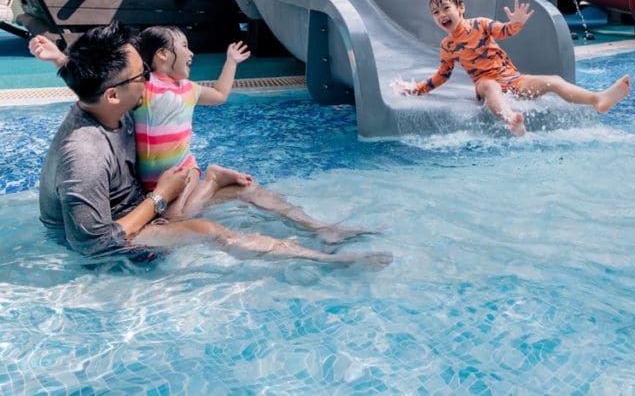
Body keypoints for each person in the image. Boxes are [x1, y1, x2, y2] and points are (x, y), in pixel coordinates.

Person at [36, 23, 391, 267]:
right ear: (113, 94)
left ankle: (322, 229)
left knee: (245, 188)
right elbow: (90, 246)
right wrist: (159, 197)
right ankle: (326, 262)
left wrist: (61, 59)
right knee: (209, 231)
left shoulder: (117, 102)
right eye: (141, 75)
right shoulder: (84, 154)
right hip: (115, 233)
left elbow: (90, 78)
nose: (149, 78)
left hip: (144, 204)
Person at [396, 0, 631, 135]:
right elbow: (442, 75)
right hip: (484, 82)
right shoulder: (448, 46)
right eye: (436, 13)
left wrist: (517, 23)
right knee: (490, 86)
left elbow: (505, 31)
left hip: (513, 79)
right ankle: (511, 119)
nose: (442, 15)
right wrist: (417, 89)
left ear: (461, 8)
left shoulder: (481, 24)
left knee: (553, 80)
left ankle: (597, 99)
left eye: (446, 8)